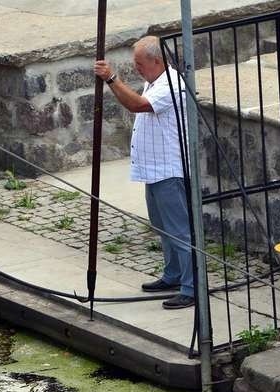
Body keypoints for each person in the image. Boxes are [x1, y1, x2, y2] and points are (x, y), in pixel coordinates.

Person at [95, 36, 195, 310]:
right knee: (163, 227)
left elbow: (139, 105)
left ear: (157, 61)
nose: (137, 68)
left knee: (179, 231)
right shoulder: (154, 81)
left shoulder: (172, 85)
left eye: (140, 63)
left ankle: (191, 287)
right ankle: (173, 275)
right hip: (154, 169)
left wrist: (112, 78)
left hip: (169, 170)